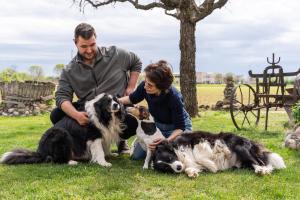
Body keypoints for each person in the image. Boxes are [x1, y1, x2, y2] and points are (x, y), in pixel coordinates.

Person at [50, 22, 142, 153]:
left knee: (132, 123)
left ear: (96, 38)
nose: (89, 50)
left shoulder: (116, 54)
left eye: (92, 44)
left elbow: (136, 62)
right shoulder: (69, 70)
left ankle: (121, 141)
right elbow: (61, 97)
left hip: (116, 107)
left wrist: (131, 86)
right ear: (75, 43)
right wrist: (76, 115)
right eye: (84, 46)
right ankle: (81, 146)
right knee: (57, 115)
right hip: (90, 111)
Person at [118, 60, 192, 159]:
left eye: (150, 85)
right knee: (137, 156)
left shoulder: (174, 97)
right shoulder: (145, 86)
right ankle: (139, 142)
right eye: (145, 82)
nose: (145, 86)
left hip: (176, 129)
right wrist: (114, 101)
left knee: (175, 155)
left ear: (162, 87)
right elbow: (131, 99)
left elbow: (180, 127)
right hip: (157, 126)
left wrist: (166, 140)